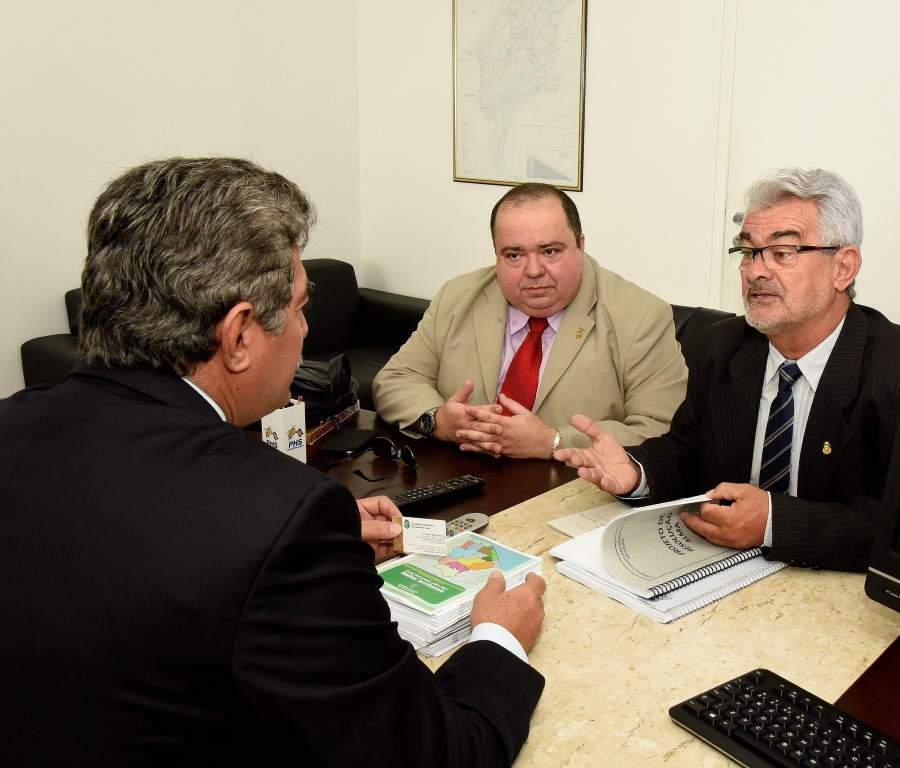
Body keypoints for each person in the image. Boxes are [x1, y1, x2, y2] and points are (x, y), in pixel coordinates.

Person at [0, 157, 547, 766]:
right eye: (302, 308)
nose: (307, 332)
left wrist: (313, 555)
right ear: (238, 337)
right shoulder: (279, 520)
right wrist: (499, 640)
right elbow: (436, 755)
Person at [554, 168, 900, 573]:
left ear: (843, 268)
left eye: (782, 253)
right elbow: (687, 451)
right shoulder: (722, 346)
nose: (756, 271)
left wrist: (774, 524)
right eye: (748, 252)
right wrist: (637, 473)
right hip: (718, 574)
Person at [371, 183, 687, 459]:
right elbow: (395, 379)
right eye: (514, 255)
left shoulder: (641, 317)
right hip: (463, 480)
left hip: (572, 494)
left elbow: (664, 431)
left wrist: (553, 441)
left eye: (549, 251)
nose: (533, 270)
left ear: (580, 245)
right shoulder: (457, 296)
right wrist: (438, 421)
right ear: (496, 254)